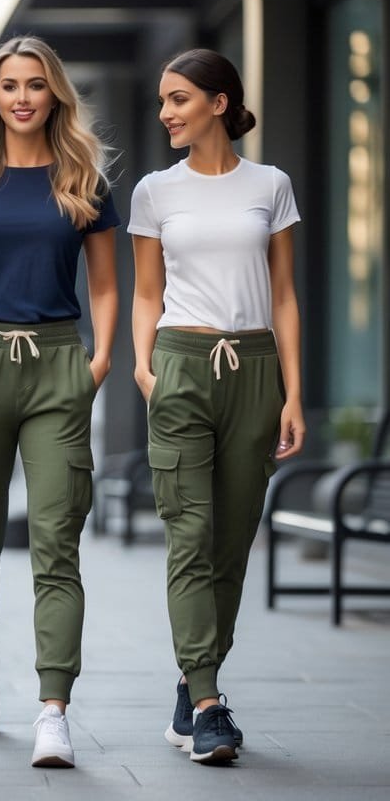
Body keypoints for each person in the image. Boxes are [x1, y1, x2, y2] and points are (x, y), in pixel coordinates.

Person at [0, 35, 118, 768]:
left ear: (53, 93)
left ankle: (53, 708)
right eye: (9, 85)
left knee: (56, 540)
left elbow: (105, 284)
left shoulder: (83, 180)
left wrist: (98, 360)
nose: (22, 97)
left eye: (35, 84)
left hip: (56, 363)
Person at [130, 48, 304, 765]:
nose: (165, 113)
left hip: (255, 370)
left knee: (231, 544)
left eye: (177, 99)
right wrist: (143, 368)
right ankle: (207, 703)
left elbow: (284, 295)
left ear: (218, 103)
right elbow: (146, 290)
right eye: (162, 101)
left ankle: (191, 679)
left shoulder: (271, 185)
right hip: (181, 363)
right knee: (189, 535)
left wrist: (293, 393)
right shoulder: (154, 192)